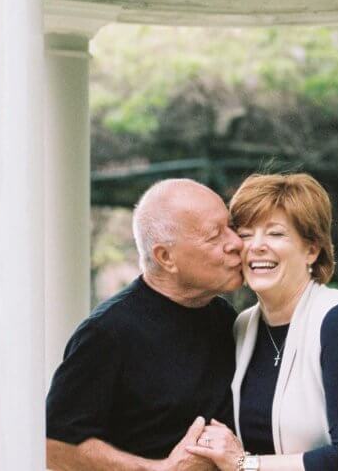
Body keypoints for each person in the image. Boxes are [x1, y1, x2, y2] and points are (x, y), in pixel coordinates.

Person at [186, 173, 338, 471]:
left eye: (276, 234)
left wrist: (245, 465)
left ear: (312, 250)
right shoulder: (242, 328)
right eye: (247, 234)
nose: (257, 246)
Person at [46, 178, 245, 471]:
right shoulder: (106, 333)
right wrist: (157, 469)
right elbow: (55, 446)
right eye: (215, 236)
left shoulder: (226, 318)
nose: (236, 243)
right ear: (166, 258)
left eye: (231, 226)